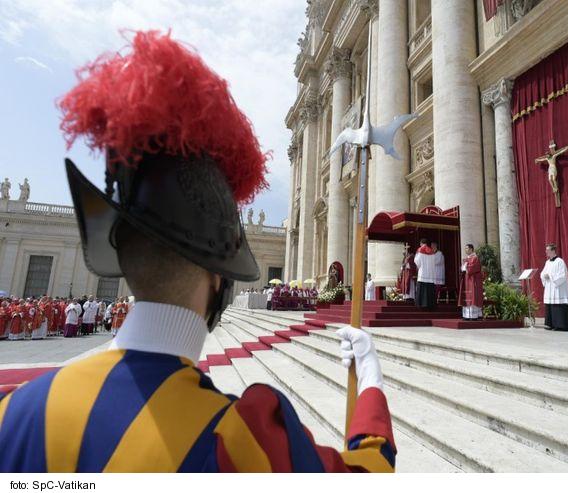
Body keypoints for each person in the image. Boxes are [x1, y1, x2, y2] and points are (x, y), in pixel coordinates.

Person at [0, 31, 395, 473]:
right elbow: (370, 471)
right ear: (218, 276)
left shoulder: (14, 415)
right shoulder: (249, 446)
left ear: (124, 258)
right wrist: (371, 379)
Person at [540, 243, 568, 331]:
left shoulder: (560, 261)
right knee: (550, 305)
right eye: (546, 250)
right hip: (550, 288)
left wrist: (550, 276)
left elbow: (563, 275)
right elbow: (543, 273)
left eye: (548, 250)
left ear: (553, 251)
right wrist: (544, 276)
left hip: (558, 288)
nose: (546, 252)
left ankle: (560, 325)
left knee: (558, 305)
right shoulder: (547, 262)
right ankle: (550, 324)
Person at [458, 244, 483, 320]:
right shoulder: (467, 259)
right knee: (466, 297)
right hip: (466, 280)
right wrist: (463, 266)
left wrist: (466, 266)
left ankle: (473, 316)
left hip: (472, 280)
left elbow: (473, 268)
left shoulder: (475, 258)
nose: (466, 250)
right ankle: (466, 315)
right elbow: (462, 269)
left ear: (471, 249)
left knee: (472, 297)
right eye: (465, 248)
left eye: (467, 248)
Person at [413, 239, 436, 310]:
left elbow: (417, 261)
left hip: (422, 273)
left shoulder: (420, 250)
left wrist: (419, 266)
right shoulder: (432, 251)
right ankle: (430, 305)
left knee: (422, 289)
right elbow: (434, 262)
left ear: (421, 243)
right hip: (430, 274)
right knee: (429, 289)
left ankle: (421, 305)